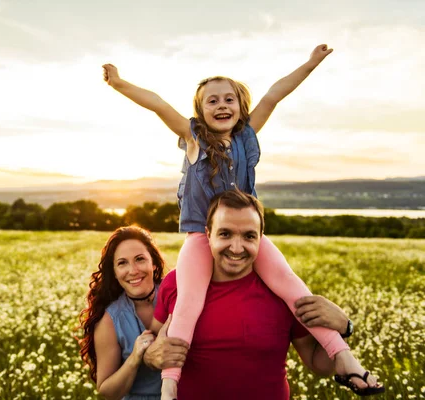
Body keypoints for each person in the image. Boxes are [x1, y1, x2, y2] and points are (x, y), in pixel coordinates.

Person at [102, 44, 382, 398]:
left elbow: (274, 94)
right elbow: (158, 103)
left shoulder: (246, 137)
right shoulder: (194, 140)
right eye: (212, 101)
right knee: (188, 301)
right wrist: (119, 84)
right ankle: (169, 386)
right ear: (200, 112)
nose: (222, 106)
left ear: (240, 106)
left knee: (295, 289)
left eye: (229, 99)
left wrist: (310, 63)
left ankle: (344, 359)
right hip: (200, 239)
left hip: (245, 233)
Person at [145, 190, 385, 398]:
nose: (236, 248)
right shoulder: (176, 284)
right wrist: (149, 357)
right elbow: (154, 344)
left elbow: (318, 364)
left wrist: (344, 328)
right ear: (208, 234)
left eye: (249, 236)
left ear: (261, 238)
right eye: (225, 234)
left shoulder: (283, 292)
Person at [77, 226, 188, 400]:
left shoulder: (178, 293)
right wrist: (136, 358)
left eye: (140, 259)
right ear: (114, 272)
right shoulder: (109, 320)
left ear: (153, 262)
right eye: (122, 263)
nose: (133, 270)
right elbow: (107, 391)